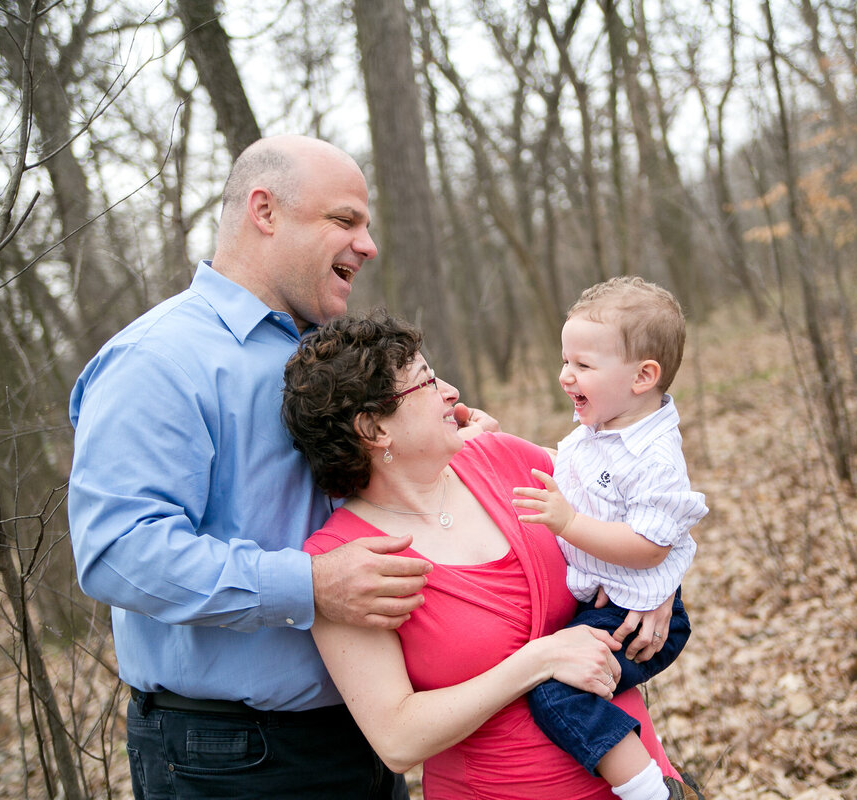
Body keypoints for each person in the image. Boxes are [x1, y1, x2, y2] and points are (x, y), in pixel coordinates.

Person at [68, 135, 492, 799]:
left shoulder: (335, 357)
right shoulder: (158, 360)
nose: (368, 245)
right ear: (264, 212)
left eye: (367, 225)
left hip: (374, 731)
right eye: (345, 220)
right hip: (233, 756)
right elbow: (117, 551)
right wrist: (306, 584)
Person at [282, 311, 696, 800]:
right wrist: (536, 662)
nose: (452, 392)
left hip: (646, 783)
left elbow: (652, 510)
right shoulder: (341, 564)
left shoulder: (508, 459)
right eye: (427, 382)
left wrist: (660, 586)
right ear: (374, 429)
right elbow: (396, 738)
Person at [511, 276, 708, 800]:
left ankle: (653, 792)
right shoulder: (604, 428)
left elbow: (651, 546)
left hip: (634, 613)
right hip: (611, 598)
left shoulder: (654, 457)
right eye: (565, 360)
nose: (564, 376)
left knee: (556, 693)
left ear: (643, 376)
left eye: (582, 365)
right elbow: (572, 473)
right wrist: (496, 437)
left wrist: (568, 525)